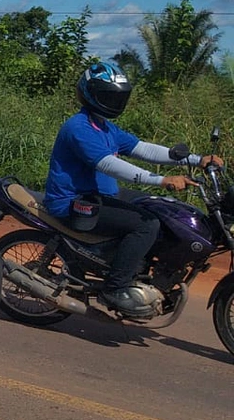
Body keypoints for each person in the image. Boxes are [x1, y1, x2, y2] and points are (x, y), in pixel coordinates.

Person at [43, 62, 223, 316]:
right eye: (108, 96)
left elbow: (144, 149)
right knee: (146, 224)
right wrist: (162, 180)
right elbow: (111, 166)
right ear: (90, 93)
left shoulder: (104, 126)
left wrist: (197, 159)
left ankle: (140, 267)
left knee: (161, 209)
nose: (113, 101)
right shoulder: (79, 127)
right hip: (75, 202)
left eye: (117, 97)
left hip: (102, 196)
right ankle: (115, 287)